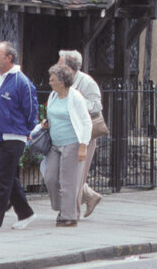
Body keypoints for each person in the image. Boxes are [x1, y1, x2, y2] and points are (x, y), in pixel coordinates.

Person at [0, 41, 37, 233]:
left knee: (3, 180)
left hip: (14, 136)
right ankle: (26, 213)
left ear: (9, 58)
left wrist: (24, 130)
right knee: (6, 177)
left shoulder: (22, 82)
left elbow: (31, 111)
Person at [41, 63, 92, 227]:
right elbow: (53, 115)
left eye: (52, 79)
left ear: (62, 82)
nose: (49, 82)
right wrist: (46, 123)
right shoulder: (53, 95)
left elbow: (86, 122)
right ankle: (61, 208)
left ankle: (69, 217)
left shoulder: (75, 97)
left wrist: (83, 146)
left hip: (72, 143)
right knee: (50, 177)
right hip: (55, 144)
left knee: (68, 181)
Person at [58, 49, 104, 218]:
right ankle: (90, 195)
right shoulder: (61, 81)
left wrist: (77, 100)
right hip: (64, 132)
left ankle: (72, 213)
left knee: (76, 174)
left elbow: (97, 106)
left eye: (60, 63)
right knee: (62, 173)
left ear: (70, 67)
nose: (57, 66)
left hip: (83, 134)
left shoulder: (87, 82)